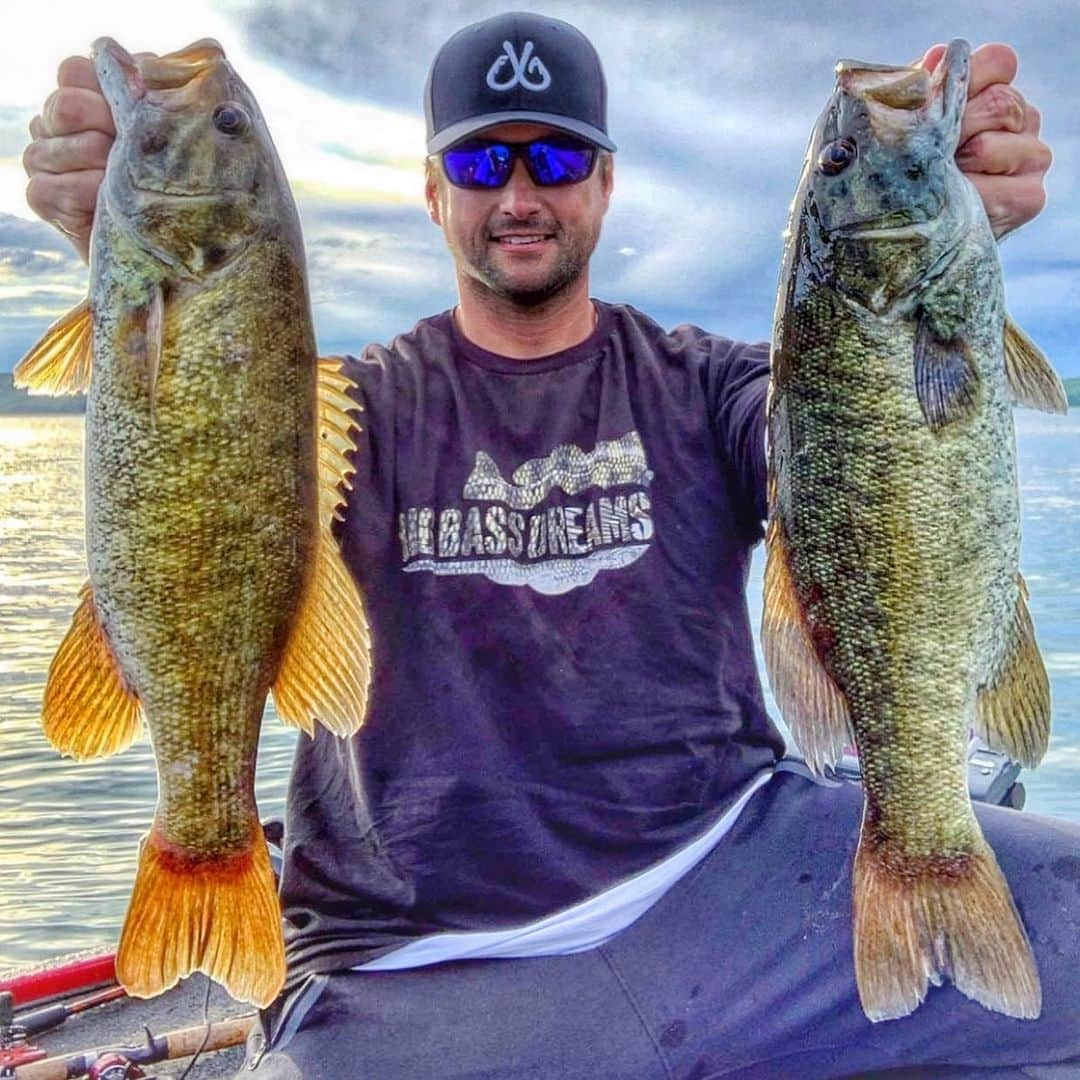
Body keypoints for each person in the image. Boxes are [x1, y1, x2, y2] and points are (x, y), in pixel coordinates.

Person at [23, 12, 1079, 1079]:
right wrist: (122, 267)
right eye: (481, 160)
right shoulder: (341, 413)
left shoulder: (708, 386)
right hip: (411, 958)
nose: (519, 194)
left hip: (732, 873)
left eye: (557, 156)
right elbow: (199, 471)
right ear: (434, 192)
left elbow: (870, 456)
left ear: (605, 185)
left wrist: (945, 251)